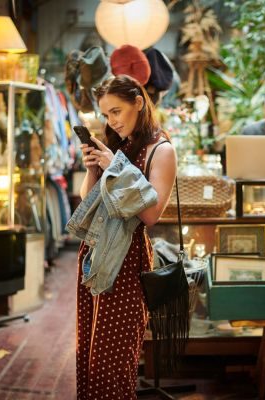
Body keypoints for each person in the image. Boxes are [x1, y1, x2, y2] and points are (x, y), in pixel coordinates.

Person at [76, 75, 176, 399]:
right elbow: (87, 203)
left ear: (138, 102)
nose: (112, 121)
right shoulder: (120, 146)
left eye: (116, 111)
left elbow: (151, 214)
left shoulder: (161, 150)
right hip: (94, 256)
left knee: (113, 367)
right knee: (90, 360)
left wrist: (114, 166)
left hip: (128, 263)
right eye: (106, 114)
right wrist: (94, 167)